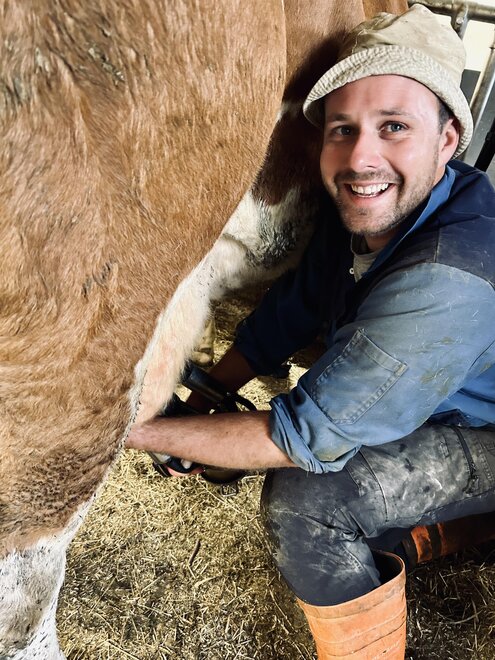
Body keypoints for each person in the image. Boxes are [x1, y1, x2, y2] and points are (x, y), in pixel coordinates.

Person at [127, 5, 495, 657]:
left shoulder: (448, 274)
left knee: (308, 502)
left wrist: (124, 432)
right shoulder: (366, 209)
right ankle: (430, 534)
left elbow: (305, 438)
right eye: (342, 129)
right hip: (433, 404)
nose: (361, 157)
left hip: (485, 433)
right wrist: (208, 393)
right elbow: (289, 313)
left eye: (393, 126)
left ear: (447, 140)